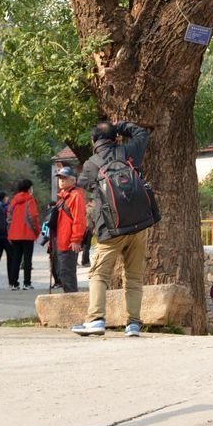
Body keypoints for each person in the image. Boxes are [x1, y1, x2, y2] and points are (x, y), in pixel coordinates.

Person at [72, 119, 151, 337]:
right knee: (134, 277)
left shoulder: (91, 163)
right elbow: (142, 133)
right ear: (116, 136)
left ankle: (96, 319)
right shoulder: (130, 150)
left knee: (99, 274)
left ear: (93, 140)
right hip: (139, 225)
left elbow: (84, 184)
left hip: (111, 228)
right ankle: (133, 324)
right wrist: (121, 126)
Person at [52, 166, 87, 293]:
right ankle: (70, 301)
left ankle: (73, 305)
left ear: (73, 180)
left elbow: (79, 220)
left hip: (69, 243)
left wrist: (76, 239)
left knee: (67, 275)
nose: (61, 181)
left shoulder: (75, 196)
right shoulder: (64, 196)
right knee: (63, 274)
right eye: (60, 178)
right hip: (61, 242)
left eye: (65, 178)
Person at [7, 179, 40, 290]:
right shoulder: (30, 200)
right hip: (28, 233)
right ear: (29, 188)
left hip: (15, 234)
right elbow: (33, 216)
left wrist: (10, 230)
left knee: (15, 259)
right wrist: (36, 231)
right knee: (27, 259)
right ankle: (27, 283)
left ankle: (14, 283)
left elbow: (9, 217)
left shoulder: (14, 200)